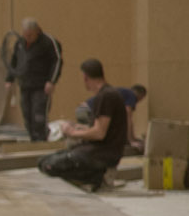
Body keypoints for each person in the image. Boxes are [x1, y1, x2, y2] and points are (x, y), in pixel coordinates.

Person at [38, 58, 130, 191]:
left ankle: (95, 177)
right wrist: (78, 127)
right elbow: (101, 128)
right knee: (44, 160)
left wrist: (72, 133)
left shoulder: (105, 96)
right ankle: (92, 175)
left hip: (103, 154)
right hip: (103, 150)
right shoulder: (108, 94)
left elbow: (99, 133)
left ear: (85, 77)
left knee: (48, 165)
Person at [4, 18, 63, 141]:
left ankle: (41, 139)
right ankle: (33, 139)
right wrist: (9, 79)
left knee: (38, 115)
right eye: (25, 35)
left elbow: (57, 61)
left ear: (37, 31)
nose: (27, 38)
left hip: (41, 85)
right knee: (27, 115)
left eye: (30, 35)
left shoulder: (48, 42)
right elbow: (15, 61)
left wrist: (52, 81)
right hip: (25, 84)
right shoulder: (20, 43)